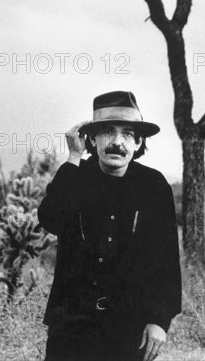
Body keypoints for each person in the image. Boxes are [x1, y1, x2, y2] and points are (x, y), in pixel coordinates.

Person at [38, 91, 182, 361]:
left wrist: (159, 320)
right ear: (91, 138)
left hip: (129, 327)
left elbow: (165, 259)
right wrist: (73, 157)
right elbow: (51, 218)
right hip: (71, 326)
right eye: (106, 132)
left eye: (128, 134)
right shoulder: (75, 179)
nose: (118, 142)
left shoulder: (153, 186)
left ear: (139, 142)